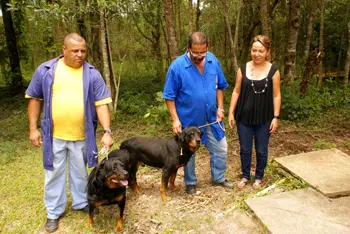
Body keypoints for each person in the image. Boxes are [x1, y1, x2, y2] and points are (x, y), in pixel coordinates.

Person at [25, 33, 113, 233]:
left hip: (82, 135)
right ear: (63, 50)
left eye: (83, 51)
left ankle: (82, 202)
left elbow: (101, 105)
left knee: (81, 172)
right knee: (53, 173)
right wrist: (33, 129)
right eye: (75, 51)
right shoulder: (46, 71)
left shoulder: (92, 74)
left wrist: (107, 131)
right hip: (53, 135)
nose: (80, 55)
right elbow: (34, 99)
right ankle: (53, 212)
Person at [163, 31, 233, 195]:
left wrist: (221, 107)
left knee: (221, 147)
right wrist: (175, 119)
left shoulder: (213, 60)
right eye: (195, 52)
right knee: (189, 154)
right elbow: (169, 96)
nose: (199, 56)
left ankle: (218, 178)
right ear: (188, 48)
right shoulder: (177, 67)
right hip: (189, 121)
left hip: (212, 118)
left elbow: (221, 87)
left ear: (207, 48)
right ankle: (190, 183)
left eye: (203, 52)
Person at [228, 35, 281, 190]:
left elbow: (277, 95)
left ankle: (259, 176)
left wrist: (276, 117)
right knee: (245, 148)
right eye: (254, 50)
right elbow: (236, 92)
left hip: (264, 118)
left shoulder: (274, 71)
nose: (257, 54)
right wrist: (231, 112)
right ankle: (245, 175)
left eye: (261, 51)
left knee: (261, 149)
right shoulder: (242, 69)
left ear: (267, 52)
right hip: (244, 117)